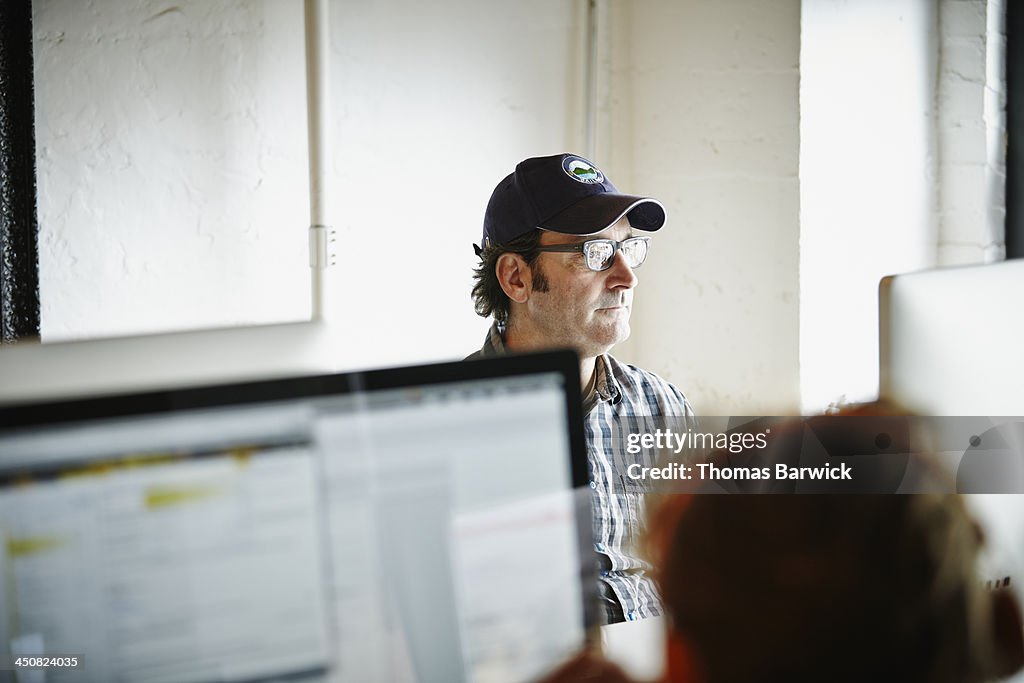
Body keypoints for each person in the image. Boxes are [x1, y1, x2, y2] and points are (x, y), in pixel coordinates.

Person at [468, 153, 696, 624]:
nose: (625, 277)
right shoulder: (451, 423)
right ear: (516, 277)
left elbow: (703, 572)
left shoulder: (660, 406)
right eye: (594, 253)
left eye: (627, 248)